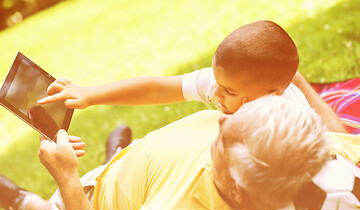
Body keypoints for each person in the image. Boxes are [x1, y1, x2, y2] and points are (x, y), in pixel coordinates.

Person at [0, 96, 332, 210]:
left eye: (222, 138)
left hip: (94, 202)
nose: (219, 118)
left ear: (237, 190)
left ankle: (19, 201)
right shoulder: (303, 150)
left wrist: (67, 178)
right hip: (136, 172)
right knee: (120, 159)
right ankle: (114, 153)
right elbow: (340, 138)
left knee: (51, 209)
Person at [37, 20, 346, 133]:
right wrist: (91, 95)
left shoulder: (293, 123)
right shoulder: (225, 84)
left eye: (228, 92)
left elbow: (342, 144)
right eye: (217, 82)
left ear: (269, 98)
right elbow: (159, 89)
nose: (216, 94)